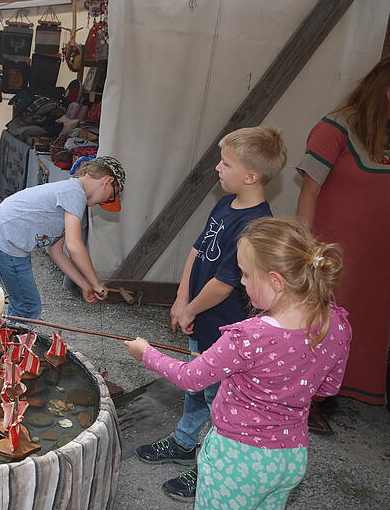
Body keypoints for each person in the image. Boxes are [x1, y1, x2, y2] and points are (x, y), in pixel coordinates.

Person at [124, 217, 352, 510]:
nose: (241, 282)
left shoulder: (249, 336)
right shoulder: (337, 323)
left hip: (238, 458)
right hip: (291, 457)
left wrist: (146, 353)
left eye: (245, 274)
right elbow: (328, 388)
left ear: (275, 281)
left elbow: (192, 378)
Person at [134, 126, 287, 501]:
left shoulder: (255, 224)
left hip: (225, 329)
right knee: (197, 387)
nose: (218, 168)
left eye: (226, 163)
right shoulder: (225, 203)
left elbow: (225, 283)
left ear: (251, 176)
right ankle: (186, 441)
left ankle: (209, 467)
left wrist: (192, 308)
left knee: (222, 402)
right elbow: (197, 251)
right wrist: (181, 298)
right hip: (200, 317)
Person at [296, 56, 390, 411]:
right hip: (335, 252)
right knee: (327, 318)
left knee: (370, 319)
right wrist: (306, 248)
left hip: (378, 253)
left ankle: (344, 389)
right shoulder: (336, 127)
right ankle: (311, 396)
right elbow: (309, 190)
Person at [0, 156, 124, 318]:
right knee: (28, 307)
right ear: (107, 181)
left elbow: (57, 252)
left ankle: (9, 336)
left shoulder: (71, 195)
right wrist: (96, 283)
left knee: (23, 303)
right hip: (4, 242)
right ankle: (13, 340)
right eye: (112, 195)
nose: (106, 202)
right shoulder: (75, 194)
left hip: (1, 240)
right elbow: (74, 246)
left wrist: (85, 284)